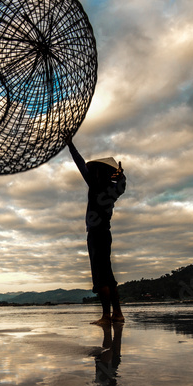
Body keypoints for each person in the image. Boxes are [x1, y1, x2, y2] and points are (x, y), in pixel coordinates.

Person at [67, 137, 126, 325]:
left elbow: (80, 163)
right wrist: (120, 176)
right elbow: (122, 185)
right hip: (105, 234)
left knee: (101, 278)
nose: (92, 172)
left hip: (96, 234)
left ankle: (107, 316)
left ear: (99, 172)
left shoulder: (96, 185)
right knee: (108, 275)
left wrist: (70, 144)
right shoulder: (113, 189)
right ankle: (117, 314)